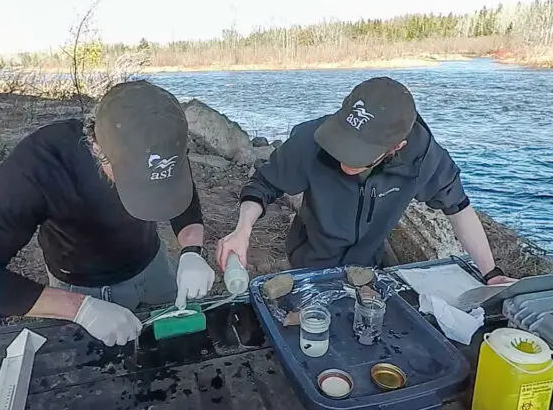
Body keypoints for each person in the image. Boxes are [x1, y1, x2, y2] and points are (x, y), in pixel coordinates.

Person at [0, 81, 216, 347]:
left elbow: (180, 197)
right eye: (135, 180)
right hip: (85, 285)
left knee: (176, 347)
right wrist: (80, 309)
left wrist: (192, 251)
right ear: (98, 149)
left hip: (153, 265)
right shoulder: (38, 166)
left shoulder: (159, 141)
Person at [216, 76, 517, 286]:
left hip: (368, 265)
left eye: (359, 154)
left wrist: (490, 273)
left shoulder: (421, 154)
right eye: (343, 144)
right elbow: (263, 185)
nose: (345, 159)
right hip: (310, 260)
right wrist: (242, 230)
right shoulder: (311, 139)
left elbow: (459, 207)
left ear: (396, 146)